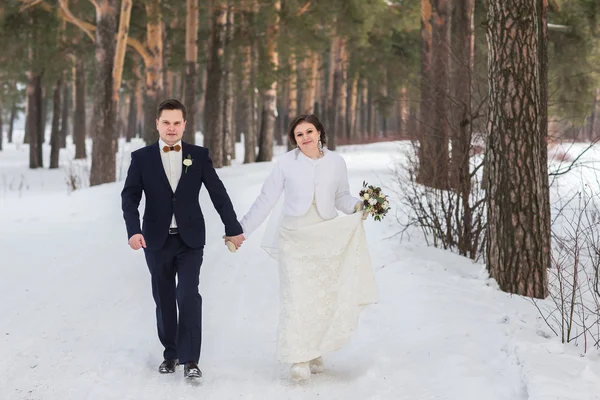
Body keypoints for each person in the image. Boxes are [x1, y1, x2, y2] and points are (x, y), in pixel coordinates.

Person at [238, 114, 378, 382]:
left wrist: (358, 206)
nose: (305, 138)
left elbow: (341, 196)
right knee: (296, 295)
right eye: (299, 134)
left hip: (325, 235)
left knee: (319, 295)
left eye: (309, 131)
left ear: (319, 132)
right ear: (294, 139)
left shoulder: (336, 162)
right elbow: (266, 199)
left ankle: (314, 349)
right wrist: (241, 231)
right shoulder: (285, 164)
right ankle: (298, 358)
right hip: (294, 236)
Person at [121, 99, 245, 379]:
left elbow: (218, 193)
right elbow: (129, 197)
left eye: (177, 122)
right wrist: (133, 230)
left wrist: (233, 227)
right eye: (166, 122)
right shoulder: (141, 158)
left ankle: (191, 360)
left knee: (188, 295)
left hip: (190, 240)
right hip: (155, 240)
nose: (172, 128)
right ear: (157, 124)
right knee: (164, 297)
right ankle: (171, 354)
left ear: (185, 124)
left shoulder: (198, 156)